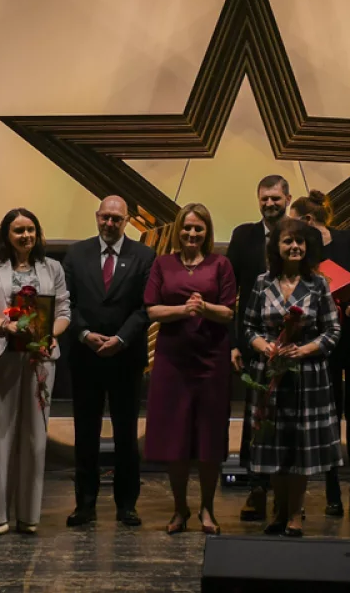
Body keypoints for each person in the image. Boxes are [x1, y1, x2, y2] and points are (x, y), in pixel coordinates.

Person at [289, 190, 350, 518]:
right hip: (325, 344)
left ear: (307, 219)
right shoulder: (302, 252)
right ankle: (332, 490)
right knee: (328, 416)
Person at [245, 217, 343, 537]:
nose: (295, 247)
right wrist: (266, 347)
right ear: (276, 246)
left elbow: (333, 331)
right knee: (274, 443)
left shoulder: (319, 284)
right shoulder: (262, 282)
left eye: (300, 242)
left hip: (307, 376)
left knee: (300, 446)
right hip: (270, 373)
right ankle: (278, 509)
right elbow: (249, 328)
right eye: (288, 241)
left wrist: (304, 350)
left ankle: (296, 513)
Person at [0, 208, 71, 536]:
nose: (26, 236)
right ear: (7, 235)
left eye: (31, 229)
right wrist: (7, 325)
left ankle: (29, 515)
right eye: (18, 230)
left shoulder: (52, 267)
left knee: (35, 439)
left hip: (40, 359)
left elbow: (64, 311)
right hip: (0, 357)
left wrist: (50, 335)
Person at [145, 203, 237, 535]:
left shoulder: (221, 264)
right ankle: (179, 509)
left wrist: (204, 307)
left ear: (207, 232)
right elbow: (152, 310)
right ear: (177, 230)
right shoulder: (162, 263)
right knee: (176, 436)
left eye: (198, 228)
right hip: (173, 360)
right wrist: (184, 311)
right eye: (187, 227)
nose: (192, 233)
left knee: (209, 436)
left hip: (211, 359)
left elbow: (228, 312)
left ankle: (207, 509)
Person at [63, 196, 154, 528]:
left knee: (126, 436)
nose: (110, 223)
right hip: (85, 356)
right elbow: (66, 302)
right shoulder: (76, 254)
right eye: (105, 217)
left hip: (125, 358)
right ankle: (84, 505)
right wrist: (85, 334)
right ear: (97, 217)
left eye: (117, 218)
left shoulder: (144, 256)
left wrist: (121, 339)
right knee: (85, 434)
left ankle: (127, 505)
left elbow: (145, 307)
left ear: (127, 220)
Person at [228, 175, 292, 521]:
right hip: (254, 342)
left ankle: (289, 496)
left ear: (288, 199)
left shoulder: (301, 235)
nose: (269, 204)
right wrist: (234, 343)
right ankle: (256, 489)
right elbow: (230, 291)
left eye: (275, 198)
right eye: (264, 198)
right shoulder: (243, 236)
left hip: (295, 345)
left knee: (290, 420)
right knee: (256, 418)